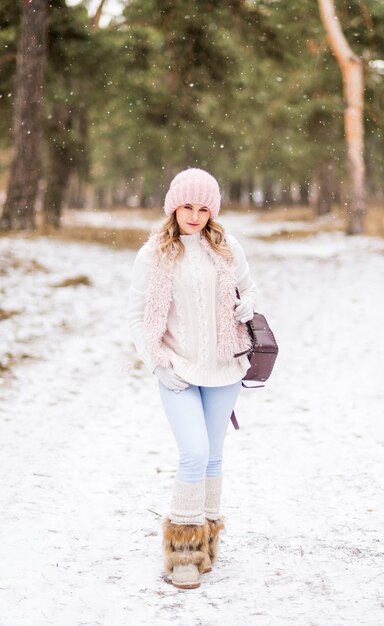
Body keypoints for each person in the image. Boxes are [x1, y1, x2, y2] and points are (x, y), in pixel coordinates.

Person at [127, 167, 257, 589]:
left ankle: (208, 544)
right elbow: (136, 315)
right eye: (188, 206)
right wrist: (156, 362)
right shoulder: (154, 254)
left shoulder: (226, 248)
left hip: (224, 368)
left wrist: (246, 308)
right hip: (177, 368)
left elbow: (250, 290)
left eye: (204, 208)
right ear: (173, 206)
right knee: (194, 452)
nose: (196, 216)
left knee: (214, 455)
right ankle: (183, 553)